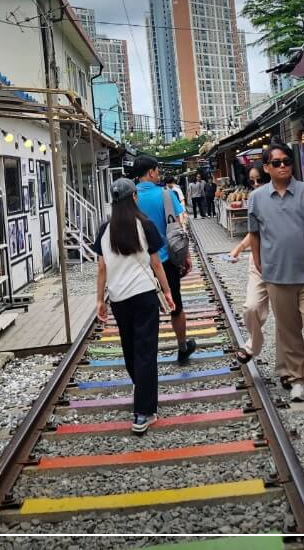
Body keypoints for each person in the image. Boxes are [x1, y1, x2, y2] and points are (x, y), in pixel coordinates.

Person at [247, 141, 304, 410]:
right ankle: (298, 380)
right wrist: (260, 264)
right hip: (277, 276)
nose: (283, 166)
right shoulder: (257, 198)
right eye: (276, 163)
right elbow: (255, 234)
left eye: (286, 161)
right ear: (267, 167)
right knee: (289, 332)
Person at [94, 178, 174, 434]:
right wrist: (168, 291)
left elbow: (102, 267)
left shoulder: (104, 229)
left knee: (130, 348)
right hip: (144, 294)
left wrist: (99, 300)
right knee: (146, 351)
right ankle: (144, 412)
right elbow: (157, 263)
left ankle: (141, 391)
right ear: (133, 198)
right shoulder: (145, 225)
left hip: (119, 299)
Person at [132, 155, 197, 363]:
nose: (159, 174)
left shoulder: (129, 197)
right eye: (157, 170)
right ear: (150, 172)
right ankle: (182, 347)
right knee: (175, 305)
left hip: (139, 262)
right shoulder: (167, 194)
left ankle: (145, 355)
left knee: (144, 310)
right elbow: (178, 227)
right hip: (167, 259)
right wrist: (185, 256)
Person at [231, 162, 288, 385]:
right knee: (251, 307)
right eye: (252, 181)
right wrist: (239, 248)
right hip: (259, 264)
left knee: (285, 320)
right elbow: (254, 232)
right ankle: (253, 345)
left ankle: (286, 370)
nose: (255, 185)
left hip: (283, 264)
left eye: (259, 180)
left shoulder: (284, 199)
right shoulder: (256, 200)